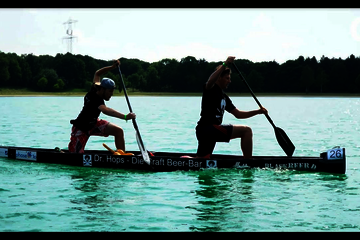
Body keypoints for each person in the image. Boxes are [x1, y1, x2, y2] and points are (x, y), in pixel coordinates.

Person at [195, 56, 267, 159]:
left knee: (203, 159)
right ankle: (248, 162)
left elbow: (238, 114)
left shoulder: (224, 97)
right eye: (227, 78)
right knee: (246, 131)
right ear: (219, 77)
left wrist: (258, 111)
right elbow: (210, 81)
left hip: (208, 131)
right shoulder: (210, 89)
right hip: (208, 128)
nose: (229, 81)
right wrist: (225, 64)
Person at [68, 59, 136, 155]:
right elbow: (106, 110)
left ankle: (122, 156)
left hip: (94, 123)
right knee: (75, 156)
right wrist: (125, 116)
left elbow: (97, 73)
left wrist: (112, 67)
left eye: (112, 91)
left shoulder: (95, 87)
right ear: (102, 89)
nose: (111, 94)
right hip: (81, 127)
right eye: (110, 91)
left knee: (118, 131)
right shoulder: (95, 99)